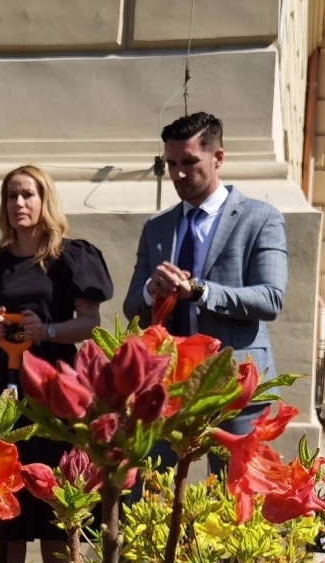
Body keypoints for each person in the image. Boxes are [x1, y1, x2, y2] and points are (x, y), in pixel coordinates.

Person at [0, 166, 111, 563]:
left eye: (28, 194)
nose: (19, 203)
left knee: (54, 491)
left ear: (45, 200)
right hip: (2, 388)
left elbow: (90, 325)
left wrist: (43, 330)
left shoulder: (71, 259)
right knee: (5, 489)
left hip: (55, 388)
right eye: (11, 195)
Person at [123, 111, 287, 431]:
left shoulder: (261, 218)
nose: (178, 174)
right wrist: (149, 289)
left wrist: (199, 291)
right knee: (160, 479)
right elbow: (131, 306)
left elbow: (270, 299)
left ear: (218, 158)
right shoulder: (156, 227)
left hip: (234, 379)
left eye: (188, 162)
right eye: (171, 164)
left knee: (230, 481)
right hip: (169, 383)